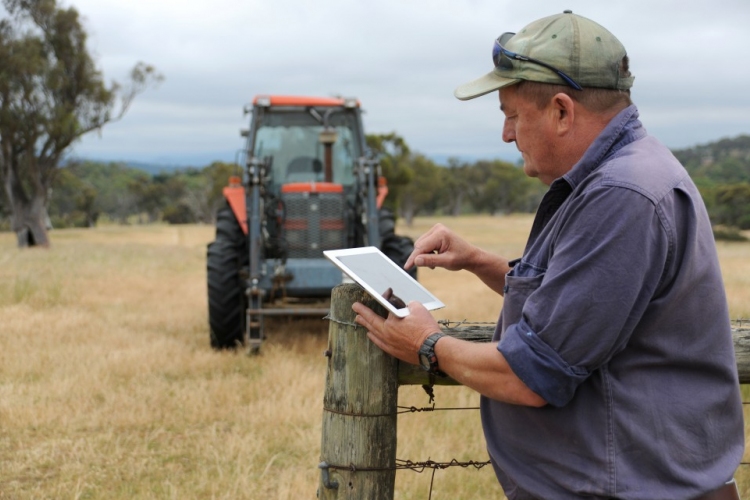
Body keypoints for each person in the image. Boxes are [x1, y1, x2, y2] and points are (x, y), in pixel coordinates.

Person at [352, 10, 745, 500]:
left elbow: (533, 375)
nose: (506, 135)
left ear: (562, 111)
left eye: (512, 115)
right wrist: (478, 260)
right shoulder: (623, 177)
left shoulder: (622, 195)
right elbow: (581, 301)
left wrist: (428, 345)